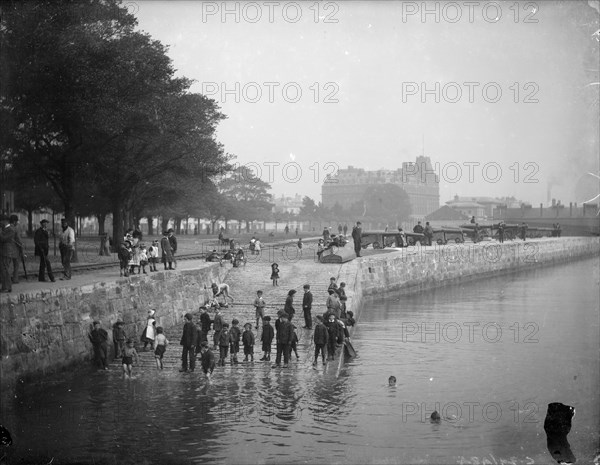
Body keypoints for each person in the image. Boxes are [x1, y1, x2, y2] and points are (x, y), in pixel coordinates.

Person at [0, 215, 17, 292]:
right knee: (4, 269)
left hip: (6, 251)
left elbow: (3, 238)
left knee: (5, 269)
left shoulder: (11, 229)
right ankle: (5, 286)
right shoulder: (6, 229)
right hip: (4, 251)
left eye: (1, 221)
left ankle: (7, 287)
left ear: (5, 221)